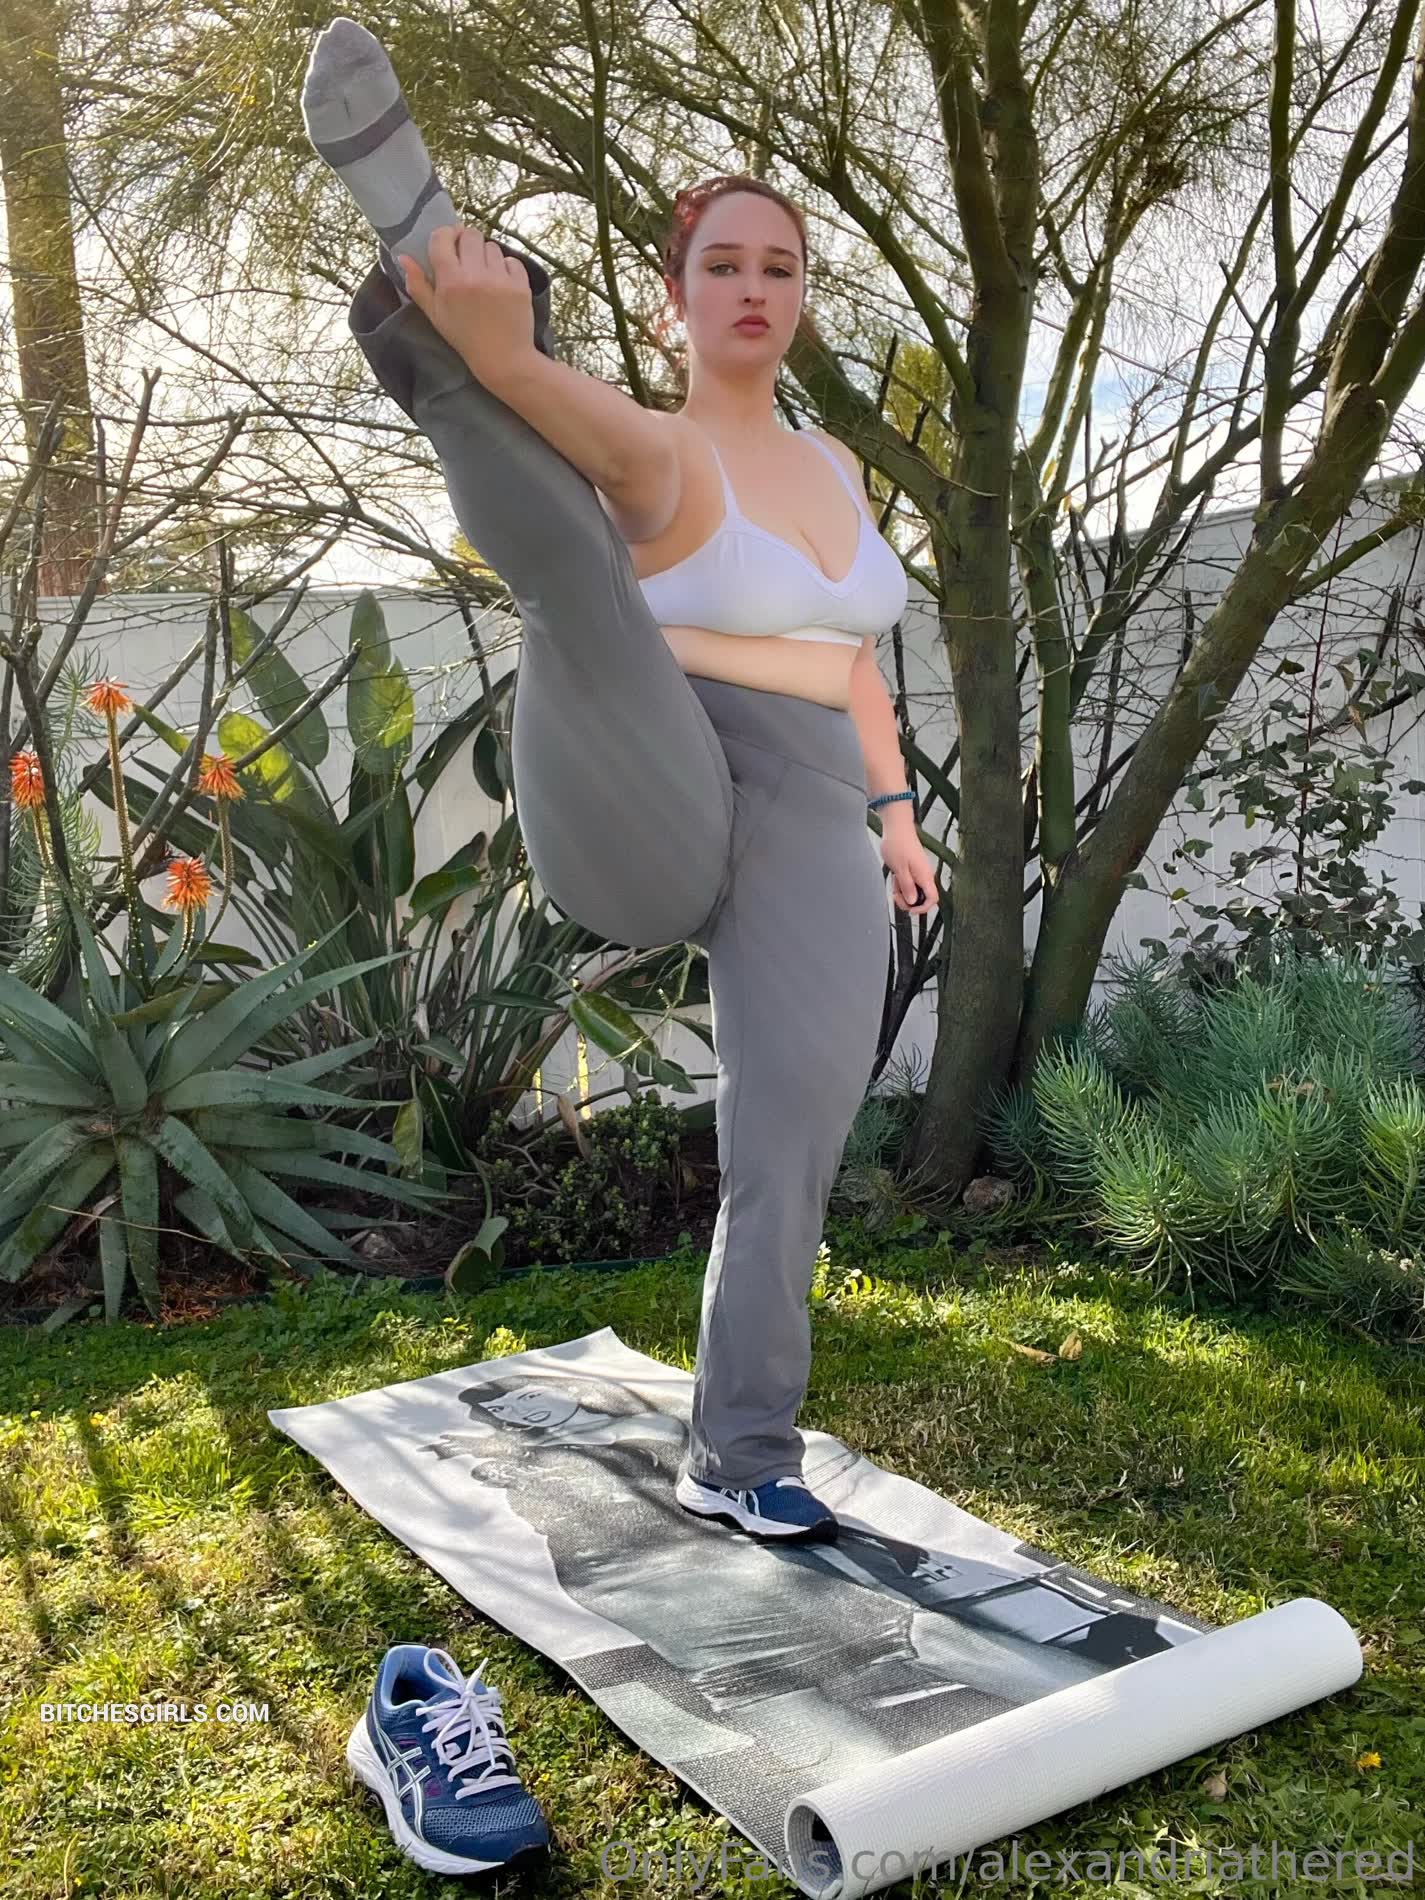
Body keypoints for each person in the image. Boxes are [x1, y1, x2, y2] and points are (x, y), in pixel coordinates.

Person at [300, 17, 941, 1544]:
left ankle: (740, 1452)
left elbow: (852, 660)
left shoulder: (837, 472)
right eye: (722, 264)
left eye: (779, 266)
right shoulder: (655, 443)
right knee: (580, 560)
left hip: (808, 810)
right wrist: (491, 337)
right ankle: (415, 234)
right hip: (641, 771)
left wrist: (897, 816)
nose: (754, 288)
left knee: (793, 1133)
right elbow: (527, 380)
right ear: (676, 300)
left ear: (801, 296)